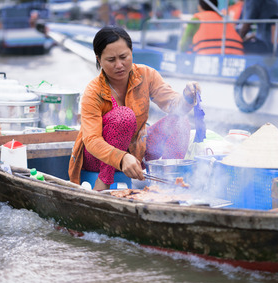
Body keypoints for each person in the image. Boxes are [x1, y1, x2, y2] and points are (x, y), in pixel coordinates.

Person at [68, 26, 200, 191]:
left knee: (180, 121)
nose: (119, 65)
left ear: (131, 52)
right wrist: (121, 158)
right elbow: (92, 140)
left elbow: (174, 106)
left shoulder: (146, 75)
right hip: (97, 158)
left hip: (135, 151)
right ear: (99, 59)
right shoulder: (93, 91)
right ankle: (103, 185)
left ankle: (166, 185)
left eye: (124, 57)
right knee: (124, 116)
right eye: (111, 60)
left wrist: (187, 97)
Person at [179, 0, 244, 55]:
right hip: (236, 57)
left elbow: (184, 45)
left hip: (208, 57)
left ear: (199, 7)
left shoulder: (197, 19)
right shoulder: (224, 19)